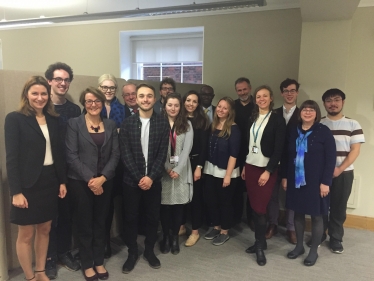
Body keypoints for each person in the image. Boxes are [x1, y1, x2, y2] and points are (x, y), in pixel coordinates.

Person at [5, 76, 67, 281]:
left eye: (43, 94)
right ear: (26, 95)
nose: (40, 98)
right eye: (35, 93)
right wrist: (16, 191)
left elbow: (59, 154)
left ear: (48, 96)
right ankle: (30, 277)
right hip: (27, 185)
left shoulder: (54, 119)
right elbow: (11, 158)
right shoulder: (14, 119)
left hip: (50, 181)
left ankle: (40, 272)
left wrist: (62, 181)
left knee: (45, 229)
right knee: (26, 235)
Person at [65, 87, 120, 281]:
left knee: (100, 223)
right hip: (81, 183)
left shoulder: (111, 124)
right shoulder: (74, 124)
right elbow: (71, 156)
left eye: (97, 101)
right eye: (89, 101)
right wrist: (91, 179)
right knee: (84, 225)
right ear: (84, 103)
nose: (93, 105)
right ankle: (87, 264)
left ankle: (99, 262)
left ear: (102, 103)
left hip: (105, 182)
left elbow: (115, 154)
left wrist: (103, 178)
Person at [119, 84, 169, 273]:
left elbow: (162, 154)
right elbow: (126, 154)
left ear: (154, 99)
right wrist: (140, 177)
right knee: (130, 218)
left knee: (152, 217)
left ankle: (149, 250)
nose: (145, 99)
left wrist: (150, 177)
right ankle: (132, 252)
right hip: (131, 181)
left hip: (154, 181)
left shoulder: (162, 123)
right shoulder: (127, 124)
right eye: (142, 96)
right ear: (136, 99)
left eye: (149, 96)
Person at [282, 100, 336, 266]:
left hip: (316, 181)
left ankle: (313, 251)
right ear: (300, 113)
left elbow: (330, 159)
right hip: (295, 180)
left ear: (316, 113)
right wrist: (285, 177)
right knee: (297, 213)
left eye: (311, 110)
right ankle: (299, 246)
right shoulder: (293, 131)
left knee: (317, 216)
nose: (307, 112)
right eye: (304, 109)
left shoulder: (323, 131)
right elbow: (285, 156)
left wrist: (326, 182)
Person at [242, 85, 286, 266]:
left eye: (264, 96)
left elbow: (279, 149)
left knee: (260, 210)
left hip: (266, 169)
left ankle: (259, 247)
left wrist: (268, 171)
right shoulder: (252, 117)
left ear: (271, 98)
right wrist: (245, 164)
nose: (261, 99)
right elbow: (249, 143)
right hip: (251, 167)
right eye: (258, 96)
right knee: (254, 207)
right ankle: (261, 241)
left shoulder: (277, 120)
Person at [45, 62, 81, 279]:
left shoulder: (74, 109)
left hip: (69, 172)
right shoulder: (41, 106)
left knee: (66, 215)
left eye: (66, 79)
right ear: (49, 80)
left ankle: (64, 252)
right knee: (50, 217)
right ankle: (49, 257)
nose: (62, 83)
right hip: (48, 172)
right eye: (58, 79)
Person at [320, 89, 365, 253]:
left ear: (343, 102)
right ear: (324, 104)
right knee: (321, 206)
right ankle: (320, 235)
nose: (333, 103)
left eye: (336, 99)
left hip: (344, 173)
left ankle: (336, 238)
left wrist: (339, 169)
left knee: (339, 207)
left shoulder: (353, 124)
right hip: (321, 174)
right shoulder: (319, 123)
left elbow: (355, 150)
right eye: (329, 100)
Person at [266, 78, 300, 244]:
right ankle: (272, 223)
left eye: (292, 90)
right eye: (286, 91)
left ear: (297, 93)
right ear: (281, 93)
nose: (289, 94)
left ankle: (291, 227)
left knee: (291, 196)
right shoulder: (274, 114)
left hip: (294, 163)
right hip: (275, 161)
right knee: (272, 195)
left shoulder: (304, 114)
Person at [203, 97, 241, 246]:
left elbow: (234, 154)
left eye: (225, 108)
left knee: (225, 202)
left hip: (226, 172)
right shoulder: (214, 125)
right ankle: (216, 226)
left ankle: (224, 231)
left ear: (230, 111)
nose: (221, 110)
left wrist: (227, 176)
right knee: (212, 201)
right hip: (211, 169)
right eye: (219, 106)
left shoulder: (234, 128)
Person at [160, 93, 194, 255]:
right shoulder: (159, 124)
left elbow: (187, 150)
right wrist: (167, 167)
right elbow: (158, 149)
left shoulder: (187, 125)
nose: (173, 108)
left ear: (180, 107)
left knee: (178, 208)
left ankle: (174, 238)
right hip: (163, 172)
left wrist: (178, 169)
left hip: (181, 172)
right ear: (165, 106)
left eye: (176, 105)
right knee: (165, 208)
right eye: (170, 105)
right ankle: (166, 236)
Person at [97, 74, 126, 259]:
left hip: (117, 163)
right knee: (100, 206)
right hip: (96, 165)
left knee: (111, 205)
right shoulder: (91, 106)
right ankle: (101, 242)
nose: (108, 91)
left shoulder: (122, 110)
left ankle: (108, 241)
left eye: (112, 88)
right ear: (99, 88)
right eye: (105, 87)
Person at [181, 90, 210, 247]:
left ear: (198, 104)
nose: (190, 104)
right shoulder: (178, 119)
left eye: (194, 101)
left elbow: (204, 148)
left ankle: (195, 232)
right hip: (180, 164)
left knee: (195, 198)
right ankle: (181, 225)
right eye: (188, 100)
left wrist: (199, 167)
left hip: (195, 163)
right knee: (181, 196)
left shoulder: (202, 121)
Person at [233, 77, 254, 227]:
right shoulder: (232, 106)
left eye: (244, 89)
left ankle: (252, 219)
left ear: (250, 89)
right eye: (239, 90)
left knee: (252, 188)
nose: (242, 92)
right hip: (235, 152)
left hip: (254, 153)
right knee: (236, 188)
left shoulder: (258, 106)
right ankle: (236, 218)